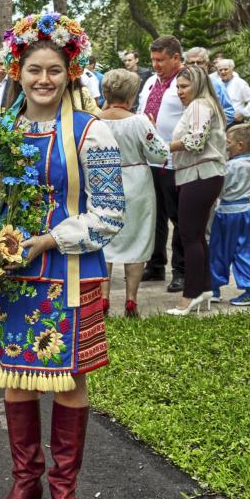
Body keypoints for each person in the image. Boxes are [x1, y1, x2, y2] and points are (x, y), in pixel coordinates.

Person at [0, 13, 124, 499]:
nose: (43, 80)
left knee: (69, 381)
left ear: (69, 72)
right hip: (12, 274)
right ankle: (24, 482)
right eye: (33, 69)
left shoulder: (92, 132)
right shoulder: (0, 130)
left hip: (69, 272)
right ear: (18, 70)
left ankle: (64, 490)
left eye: (54, 70)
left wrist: (51, 239)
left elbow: (110, 214)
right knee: (16, 380)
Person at [98, 69, 169, 317]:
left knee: (104, 238)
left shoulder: (94, 119)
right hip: (136, 182)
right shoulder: (139, 121)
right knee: (137, 238)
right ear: (131, 95)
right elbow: (160, 153)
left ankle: (103, 299)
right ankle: (131, 300)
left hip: (103, 182)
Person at [165, 65, 227, 315]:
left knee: (189, 236)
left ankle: (190, 296)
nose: (179, 92)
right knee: (197, 236)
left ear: (198, 84)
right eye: (177, 87)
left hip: (200, 175)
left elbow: (195, 141)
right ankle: (205, 288)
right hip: (202, 176)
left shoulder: (200, 105)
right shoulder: (205, 104)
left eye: (184, 86)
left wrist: (165, 147)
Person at [138, 35, 186, 293]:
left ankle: (181, 270)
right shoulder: (149, 82)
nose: (155, 64)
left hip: (175, 161)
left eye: (160, 60)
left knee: (179, 218)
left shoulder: (186, 82)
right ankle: (156, 264)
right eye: (153, 59)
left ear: (176, 57)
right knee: (154, 216)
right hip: (151, 161)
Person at [210, 125, 250, 306]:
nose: (226, 146)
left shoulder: (229, 167)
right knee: (245, 251)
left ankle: (214, 287)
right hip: (246, 211)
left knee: (219, 250)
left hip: (227, 213)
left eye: (229, 143)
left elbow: (220, 189)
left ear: (240, 145)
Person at [183, 47, 236, 126]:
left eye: (199, 62)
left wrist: (211, 127)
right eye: (191, 63)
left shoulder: (216, 85)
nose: (195, 66)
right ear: (186, 65)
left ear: (206, 64)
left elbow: (229, 112)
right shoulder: (179, 84)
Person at [212, 59, 250, 123]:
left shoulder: (240, 83)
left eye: (225, 69)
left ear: (232, 70)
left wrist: (243, 113)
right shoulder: (215, 83)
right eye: (220, 70)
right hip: (218, 122)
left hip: (235, 122)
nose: (223, 72)